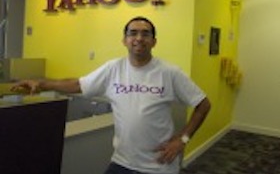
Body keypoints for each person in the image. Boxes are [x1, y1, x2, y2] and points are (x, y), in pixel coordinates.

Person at [11, 16, 211, 174]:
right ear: (124, 40)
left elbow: (203, 104)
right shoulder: (113, 68)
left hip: (158, 165)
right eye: (133, 33)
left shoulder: (169, 72)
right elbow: (78, 84)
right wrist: (42, 84)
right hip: (122, 162)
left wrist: (182, 139)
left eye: (145, 34)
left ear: (154, 41)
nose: (139, 38)